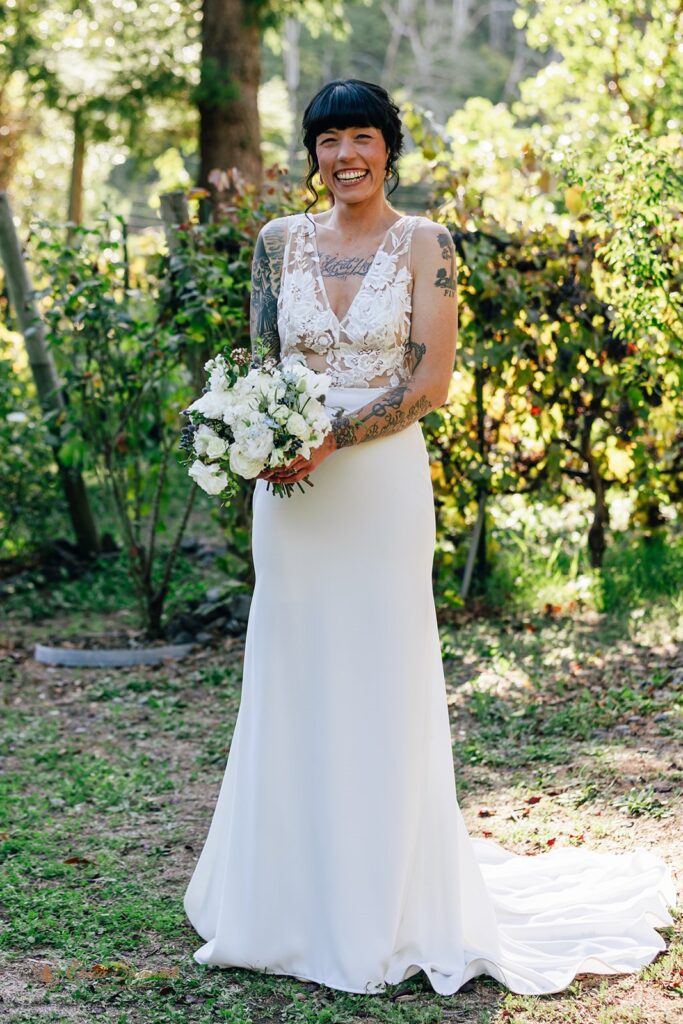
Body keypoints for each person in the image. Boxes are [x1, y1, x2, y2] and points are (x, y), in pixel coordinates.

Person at [183, 78, 675, 996]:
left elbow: (430, 383)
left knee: (378, 673)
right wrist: (253, 436)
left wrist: (330, 436)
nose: (344, 158)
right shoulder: (276, 244)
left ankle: (384, 900)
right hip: (288, 497)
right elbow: (259, 364)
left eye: (361, 138)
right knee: (290, 669)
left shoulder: (426, 245)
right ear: (313, 154)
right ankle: (280, 899)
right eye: (328, 141)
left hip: (377, 488)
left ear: (388, 147)